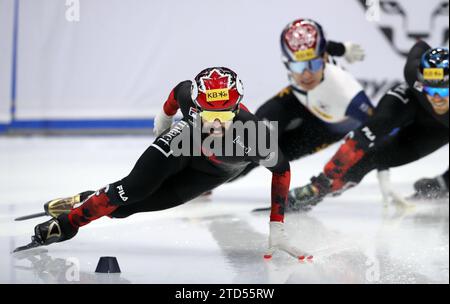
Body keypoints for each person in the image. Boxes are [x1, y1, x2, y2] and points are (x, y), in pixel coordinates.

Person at [16, 67, 311, 260]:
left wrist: (277, 226)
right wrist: (165, 119)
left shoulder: (254, 134)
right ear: (194, 107)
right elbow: (176, 92)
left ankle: (83, 200)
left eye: (226, 114)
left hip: (212, 172)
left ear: (237, 107)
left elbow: (281, 171)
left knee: (124, 211)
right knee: (132, 189)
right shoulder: (188, 97)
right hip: (183, 141)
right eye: (210, 115)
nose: (218, 123)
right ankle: (67, 223)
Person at [226, 19, 374, 203]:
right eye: (298, 66)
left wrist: (338, 180)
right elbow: (323, 45)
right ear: (286, 62)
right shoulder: (313, 50)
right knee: (253, 138)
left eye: (313, 64)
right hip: (299, 98)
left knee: (265, 156)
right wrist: (342, 48)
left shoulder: (347, 92)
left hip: (326, 126)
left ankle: (211, 178)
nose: (306, 74)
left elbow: (381, 127)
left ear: (324, 58)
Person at [288, 42, 449, 208]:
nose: (436, 98)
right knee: (375, 127)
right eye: (430, 89)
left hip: (438, 130)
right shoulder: (413, 74)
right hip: (410, 102)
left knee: (375, 159)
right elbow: (420, 45)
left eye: (443, 91)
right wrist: (325, 179)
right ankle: (317, 189)